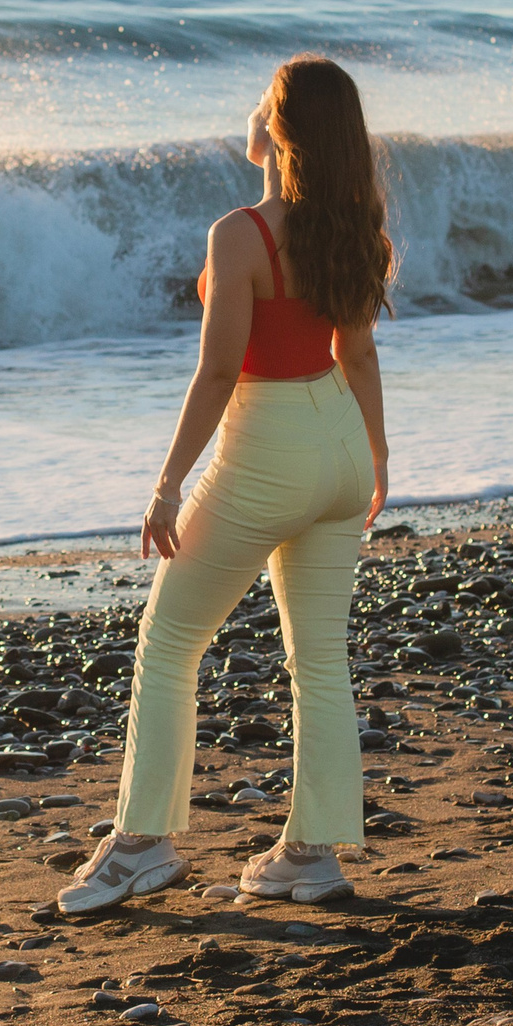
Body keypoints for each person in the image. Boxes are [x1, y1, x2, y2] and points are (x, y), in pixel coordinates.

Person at [60, 55, 394, 914]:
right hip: (340, 446)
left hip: (268, 448)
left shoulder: (240, 234)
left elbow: (217, 373)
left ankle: (140, 844)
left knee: (170, 639)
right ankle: (310, 856)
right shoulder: (354, 224)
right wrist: (378, 459)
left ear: (279, 134)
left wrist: (168, 482)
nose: (248, 113)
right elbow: (356, 353)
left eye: (261, 104)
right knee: (319, 656)